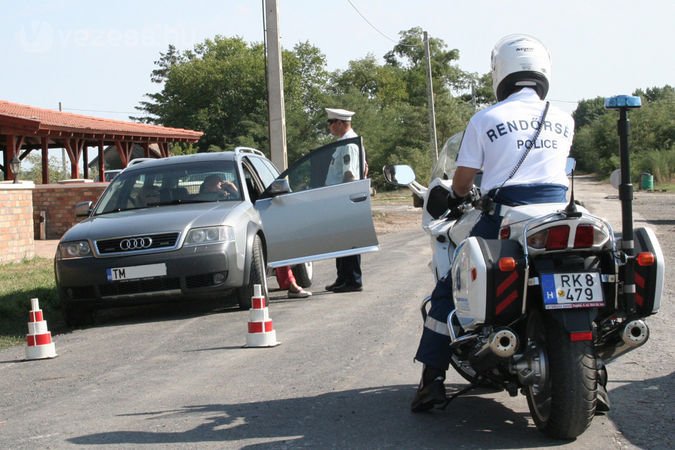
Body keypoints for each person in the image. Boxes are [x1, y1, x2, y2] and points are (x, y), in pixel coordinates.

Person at [409, 34, 605, 412]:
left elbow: (464, 181)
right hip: (560, 212)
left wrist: (456, 196)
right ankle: (597, 380)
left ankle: (431, 381)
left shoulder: (486, 118)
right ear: (543, 71)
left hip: (507, 215)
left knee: (447, 291)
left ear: (499, 72)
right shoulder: (564, 118)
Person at [323, 107, 367, 293]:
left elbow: (350, 173)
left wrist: (347, 200)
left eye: (331, 122)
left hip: (345, 197)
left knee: (348, 239)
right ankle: (342, 278)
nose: (329, 126)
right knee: (340, 240)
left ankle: (353, 280)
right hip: (338, 198)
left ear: (341, 123)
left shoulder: (349, 143)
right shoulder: (343, 142)